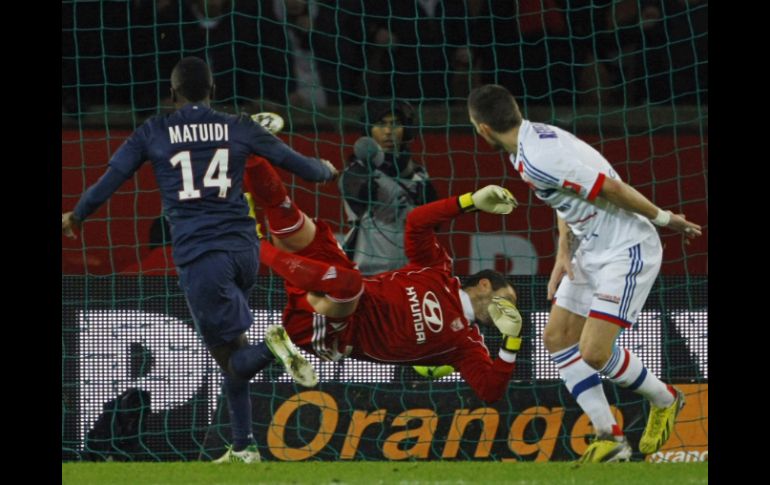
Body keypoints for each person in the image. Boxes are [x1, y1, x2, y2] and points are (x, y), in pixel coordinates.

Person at [61, 57, 339, 463]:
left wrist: (77, 215)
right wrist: (326, 170)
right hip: (246, 250)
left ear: (172, 93)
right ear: (213, 91)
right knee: (231, 351)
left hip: (200, 254)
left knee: (234, 357)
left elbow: (111, 179)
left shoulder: (154, 130)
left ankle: (274, 344)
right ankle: (244, 448)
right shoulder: (239, 125)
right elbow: (303, 168)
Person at [466, 84, 703, 462]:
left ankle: (667, 398)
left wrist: (664, 218)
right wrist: (564, 252)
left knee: (594, 352)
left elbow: (610, 188)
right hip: (590, 248)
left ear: (482, 129)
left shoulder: (540, 155)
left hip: (626, 248)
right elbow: (566, 198)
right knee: (557, 337)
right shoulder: (526, 146)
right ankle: (609, 437)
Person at [245, 155, 524, 402]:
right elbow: (417, 221)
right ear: (484, 284)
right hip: (334, 286)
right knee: (286, 216)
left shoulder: (466, 346)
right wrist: (470, 201)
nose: (510, 310)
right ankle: (243, 149)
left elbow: (490, 391)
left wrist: (511, 340)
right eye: (507, 300)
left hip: (334, 330)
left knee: (348, 283)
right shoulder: (437, 268)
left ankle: (252, 244)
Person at [339, 100, 438, 274]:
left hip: (410, 273)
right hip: (368, 272)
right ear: (368, 129)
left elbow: (435, 223)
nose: (388, 131)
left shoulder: (419, 174)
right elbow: (361, 192)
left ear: (405, 130)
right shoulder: (355, 171)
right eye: (380, 124)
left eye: (396, 124)